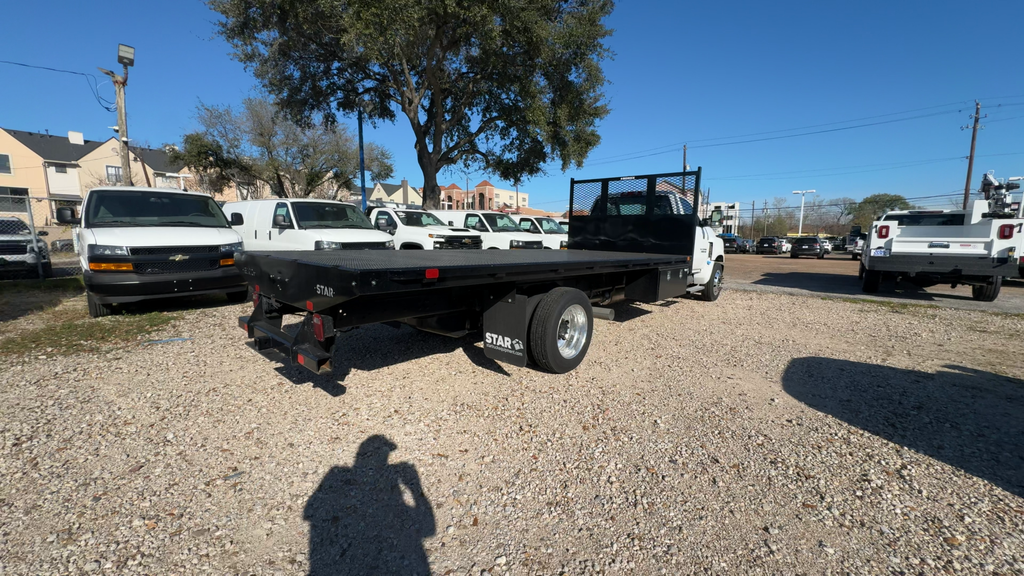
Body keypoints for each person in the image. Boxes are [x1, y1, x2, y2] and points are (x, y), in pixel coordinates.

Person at [304, 436, 436, 575]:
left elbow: (312, 512)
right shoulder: (337, 474)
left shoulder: (337, 474)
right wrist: (414, 486)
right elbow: (428, 529)